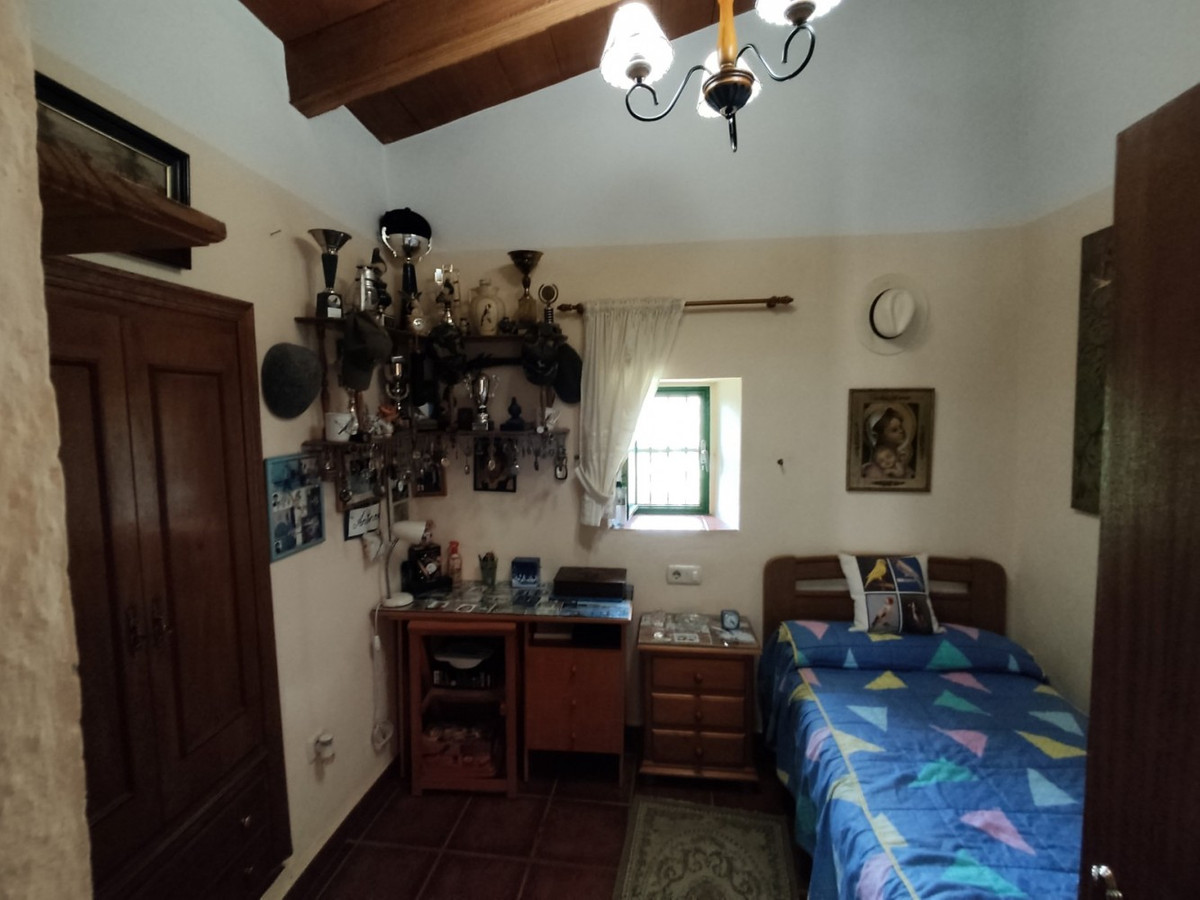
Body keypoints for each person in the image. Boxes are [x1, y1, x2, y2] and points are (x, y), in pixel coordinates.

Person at [864, 406, 915, 478]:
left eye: (901, 427)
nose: (901, 431)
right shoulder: (874, 470)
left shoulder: (901, 459)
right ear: (882, 436)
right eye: (894, 430)